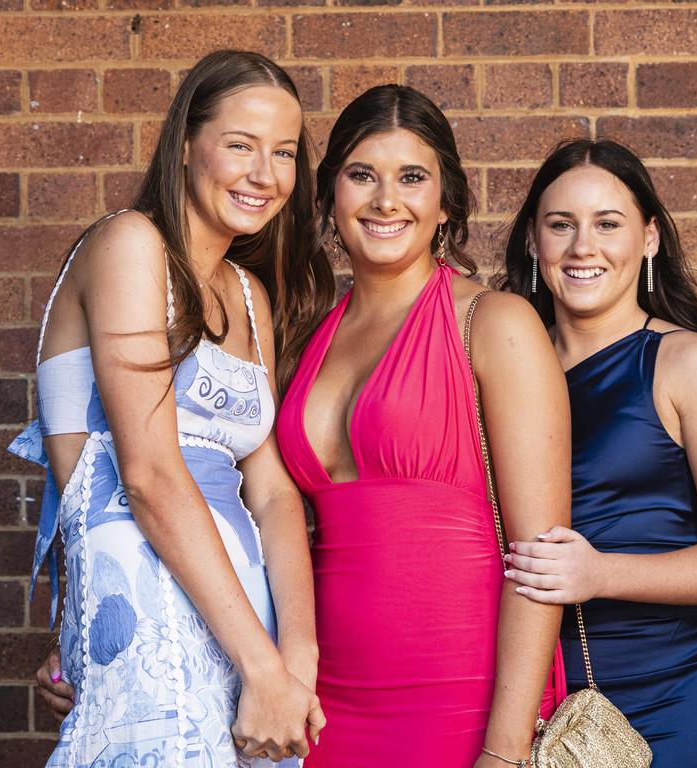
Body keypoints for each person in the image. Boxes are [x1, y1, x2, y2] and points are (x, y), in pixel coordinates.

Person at [10, 50, 332, 767]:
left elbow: (274, 491)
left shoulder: (251, 296)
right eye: (240, 145)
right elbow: (149, 474)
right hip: (152, 580)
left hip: (244, 607)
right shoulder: (129, 243)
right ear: (186, 144)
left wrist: (296, 654)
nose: (264, 174)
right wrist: (262, 666)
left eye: (283, 153)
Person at [275, 85, 571, 768]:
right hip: (321, 703)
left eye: (412, 177)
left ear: (446, 203)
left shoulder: (494, 324)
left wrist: (503, 750)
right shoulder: (302, 335)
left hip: (461, 703)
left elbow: (540, 559)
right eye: (361, 176)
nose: (386, 200)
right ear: (328, 197)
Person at [498, 138, 697, 767]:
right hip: (543, 708)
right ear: (533, 241)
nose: (582, 247)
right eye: (560, 225)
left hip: (682, 702)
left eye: (608, 224)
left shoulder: (690, 365)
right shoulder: (501, 362)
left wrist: (600, 574)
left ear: (648, 239)